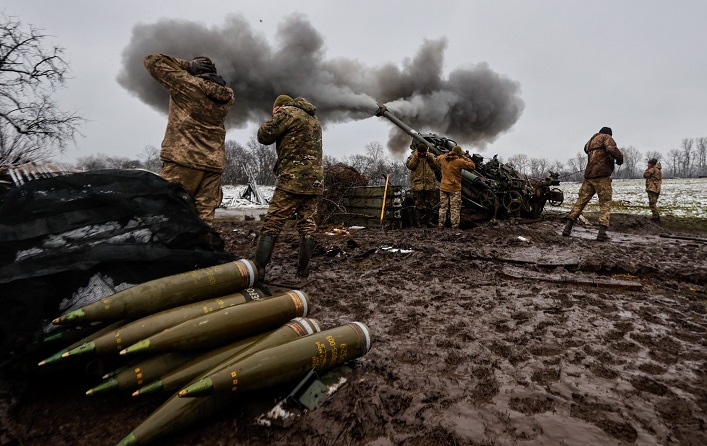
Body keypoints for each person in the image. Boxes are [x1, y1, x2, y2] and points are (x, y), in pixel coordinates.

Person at [144, 54, 235, 226]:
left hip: (184, 160)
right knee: (204, 219)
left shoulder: (188, 85)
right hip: (213, 164)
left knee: (168, 212)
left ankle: (171, 251)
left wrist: (186, 65)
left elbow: (152, 60)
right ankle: (201, 250)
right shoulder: (227, 97)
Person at [254, 95, 323, 283]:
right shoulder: (313, 118)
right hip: (314, 181)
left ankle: (258, 269)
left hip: (292, 180)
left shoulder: (287, 113)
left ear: (279, 106)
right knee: (307, 226)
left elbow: (263, 135)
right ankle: (303, 271)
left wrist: (277, 115)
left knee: (273, 223)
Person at [563, 126, 624, 241]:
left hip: (589, 176)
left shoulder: (590, 141)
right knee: (605, 203)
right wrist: (620, 158)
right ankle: (602, 233)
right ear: (609, 134)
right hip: (602, 176)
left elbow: (586, 150)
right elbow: (611, 149)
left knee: (580, 202)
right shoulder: (607, 137)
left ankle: (567, 228)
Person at [435, 145, 475, 229]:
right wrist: (465, 157)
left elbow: (436, 159)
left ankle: (441, 225)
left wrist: (447, 154)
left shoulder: (442, 158)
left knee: (443, 207)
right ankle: (455, 227)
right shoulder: (459, 161)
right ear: (459, 154)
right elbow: (472, 166)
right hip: (454, 188)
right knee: (455, 208)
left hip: (444, 187)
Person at [405, 142, 438, 227]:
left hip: (429, 184)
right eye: (421, 152)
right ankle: (418, 222)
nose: (422, 154)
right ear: (418, 151)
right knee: (418, 204)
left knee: (430, 204)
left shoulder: (430, 156)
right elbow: (410, 166)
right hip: (418, 185)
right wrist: (416, 157)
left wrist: (429, 156)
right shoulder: (413, 157)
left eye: (424, 152)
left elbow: (435, 165)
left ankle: (429, 222)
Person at [644, 158, 662, 222]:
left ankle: (655, 216)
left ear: (651, 164)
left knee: (652, 203)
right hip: (657, 188)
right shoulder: (658, 170)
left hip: (652, 188)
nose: (647, 165)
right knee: (653, 202)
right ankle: (656, 216)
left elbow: (645, 175)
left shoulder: (653, 169)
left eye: (648, 164)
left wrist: (647, 169)